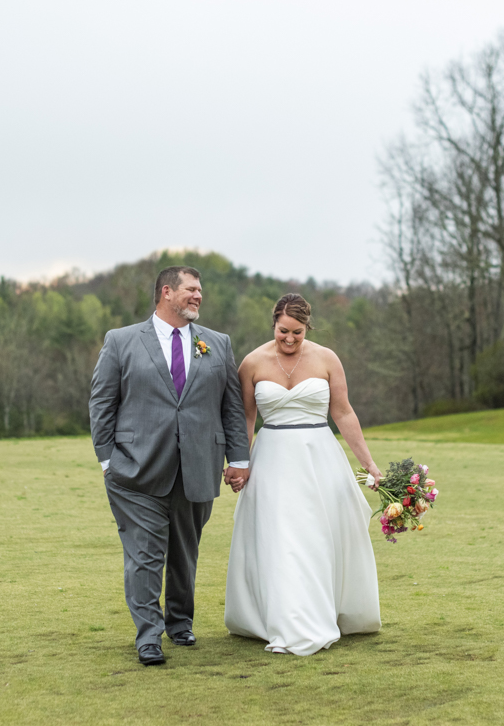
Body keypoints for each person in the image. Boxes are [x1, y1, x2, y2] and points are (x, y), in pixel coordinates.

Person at [90, 266, 251, 666]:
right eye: (191, 290)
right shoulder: (122, 341)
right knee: (144, 554)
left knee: (184, 553)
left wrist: (240, 458)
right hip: (135, 470)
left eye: (200, 290)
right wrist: (108, 459)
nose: (198, 296)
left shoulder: (218, 344)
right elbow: (102, 402)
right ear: (167, 291)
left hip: (198, 467)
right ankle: (149, 636)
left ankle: (180, 623)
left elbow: (231, 407)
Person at [224, 293, 382, 654]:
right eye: (283, 331)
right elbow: (245, 419)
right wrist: (240, 463)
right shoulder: (252, 363)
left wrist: (369, 463)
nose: (290, 339)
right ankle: (286, 619)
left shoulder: (327, 359)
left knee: (315, 537)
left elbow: (343, 413)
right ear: (273, 325)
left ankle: (322, 611)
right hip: (272, 460)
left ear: (307, 327)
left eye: (297, 332)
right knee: (281, 539)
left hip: (319, 458)